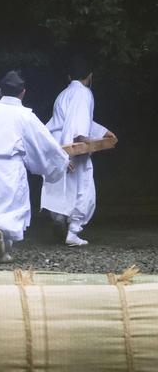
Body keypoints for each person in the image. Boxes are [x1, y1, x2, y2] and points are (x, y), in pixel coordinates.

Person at [0, 70, 69, 263]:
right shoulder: (24, 115)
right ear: (23, 93)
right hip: (11, 167)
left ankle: (0, 248)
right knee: (12, 208)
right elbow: (44, 142)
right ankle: (0, 233)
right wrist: (62, 160)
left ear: (0, 91)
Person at [40, 56, 117, 247]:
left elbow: (76, 119)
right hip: (73, 145)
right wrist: (83, 141)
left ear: (69, 77)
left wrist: (102, 132)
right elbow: (79, 126)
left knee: (61, 184)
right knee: (83, 188)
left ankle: (59, 215)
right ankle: (73, 231)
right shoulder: (84, 93)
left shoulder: (63, 94)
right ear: (90, 76)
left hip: (58, 143)